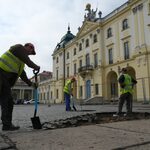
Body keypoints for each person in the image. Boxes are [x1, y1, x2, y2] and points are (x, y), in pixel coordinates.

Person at [0, 43, 40, 131]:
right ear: (27, 46)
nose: (30, 53)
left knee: (9, 102)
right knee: (6, 102)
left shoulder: (20, 63)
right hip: (1, 75)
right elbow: (28, 62)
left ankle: (7, 125)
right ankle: (6, 125)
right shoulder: (18, 48)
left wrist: (32, 84)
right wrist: (36, 67)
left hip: (5, 80)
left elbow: (23, 75)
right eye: (31, 50)